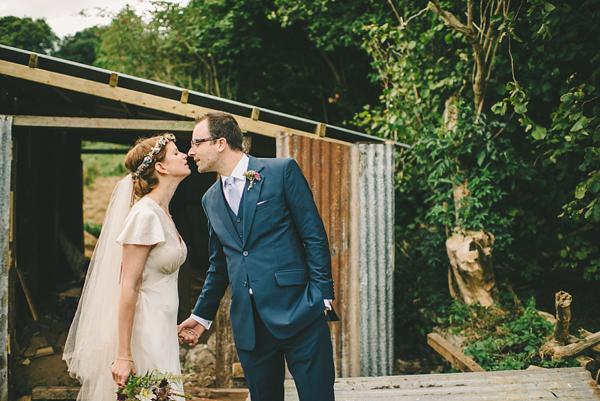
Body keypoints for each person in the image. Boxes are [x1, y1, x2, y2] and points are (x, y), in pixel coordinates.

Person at [178, 111, 337, 401]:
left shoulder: (281, 172)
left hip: (299, 309)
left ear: (220, 143)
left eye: (196, 143)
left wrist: (322, 296)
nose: (190, 152)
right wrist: (201, 316)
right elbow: (220, 264)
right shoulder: (210, 199)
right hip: (249, 325)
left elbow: (313, 235)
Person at [63, 133, 190, 400]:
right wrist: (124, 355)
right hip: (144, 333)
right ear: (161, 167)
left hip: (163, 329)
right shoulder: (145, 214)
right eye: (177, 152)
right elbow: (128, 285)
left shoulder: (163, 212)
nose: (185, 155)